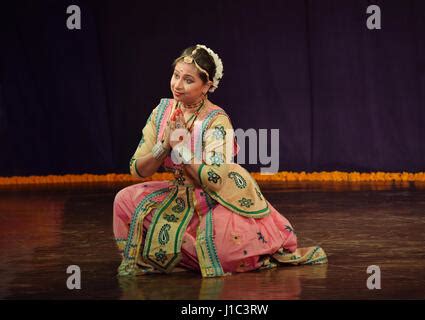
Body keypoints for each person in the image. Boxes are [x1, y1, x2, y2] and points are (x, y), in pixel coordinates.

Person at [113, 44, 327, 277]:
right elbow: (137, 169)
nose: (177, 85)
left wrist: (182, 150)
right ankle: (165, 256)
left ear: (207, 86)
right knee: (124, 200)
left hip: (215, 198)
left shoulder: (216, 120)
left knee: (223, 254)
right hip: (178, 193)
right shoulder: (162, 111)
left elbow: (214, 179)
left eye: (188, 80)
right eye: (176, 76)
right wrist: (164, 146)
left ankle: (190, 253)